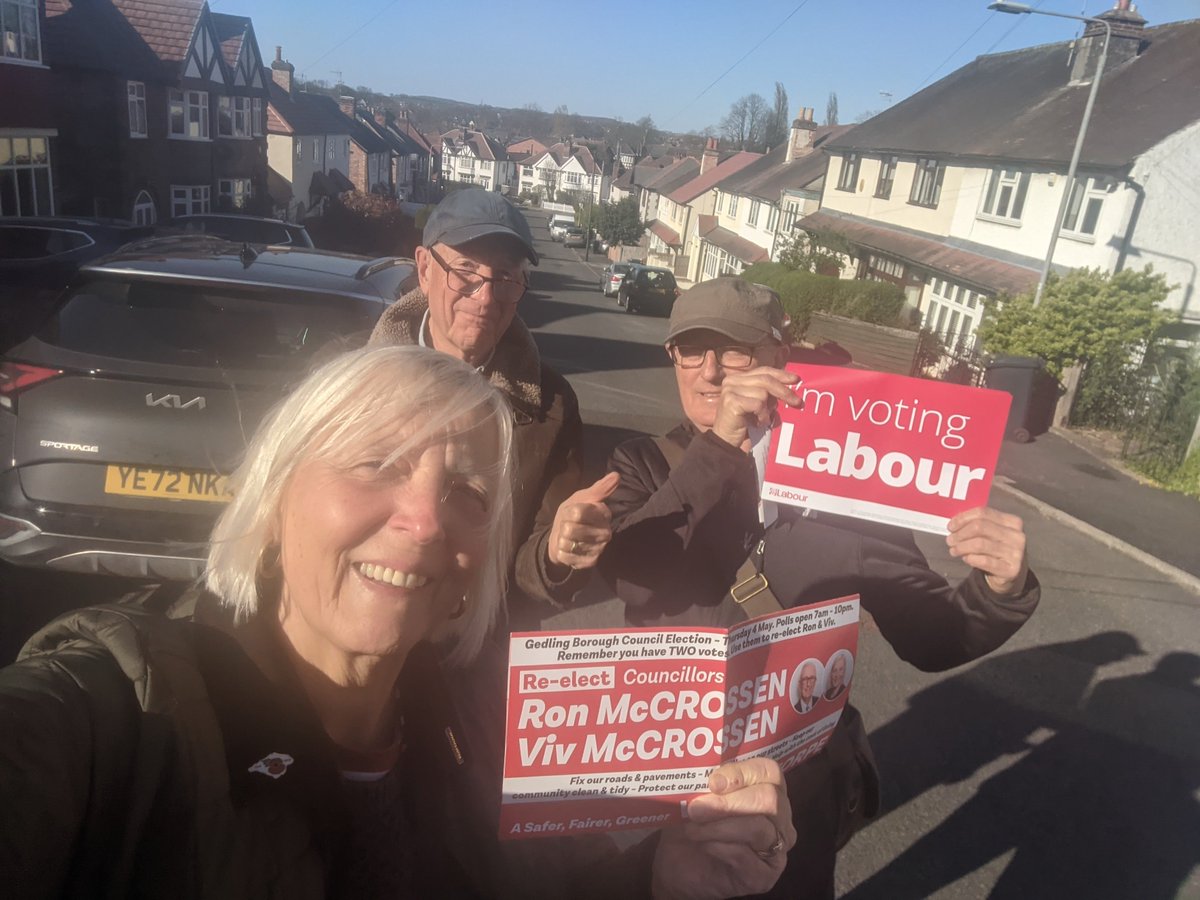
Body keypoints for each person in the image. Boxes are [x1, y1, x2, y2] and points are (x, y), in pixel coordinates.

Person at [0, 345, 795, 899]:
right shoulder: (119, 713)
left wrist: (659, 880)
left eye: (469, 494)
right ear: (275, 500)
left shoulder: (486, 728)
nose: (424, 521)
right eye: (375, 462)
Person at [598, 276, 1041, 899]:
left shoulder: (852, 477)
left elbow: (932, 636)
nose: (710, 372)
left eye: (735, 352)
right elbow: (634, 577)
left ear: (782, 359)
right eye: (690, 350)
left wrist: (1000, 586)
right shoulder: (644, 463)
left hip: (795, 782)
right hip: (670, 764)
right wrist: (719, 444)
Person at [368, 189, 614, 626]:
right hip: (366, 623)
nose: (486, 297)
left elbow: (532, 556)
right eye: (465, 271)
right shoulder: (352, 387)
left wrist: (555, 554)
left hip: (475, 650)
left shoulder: (551, 405)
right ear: (424, 268)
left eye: (505, 277)